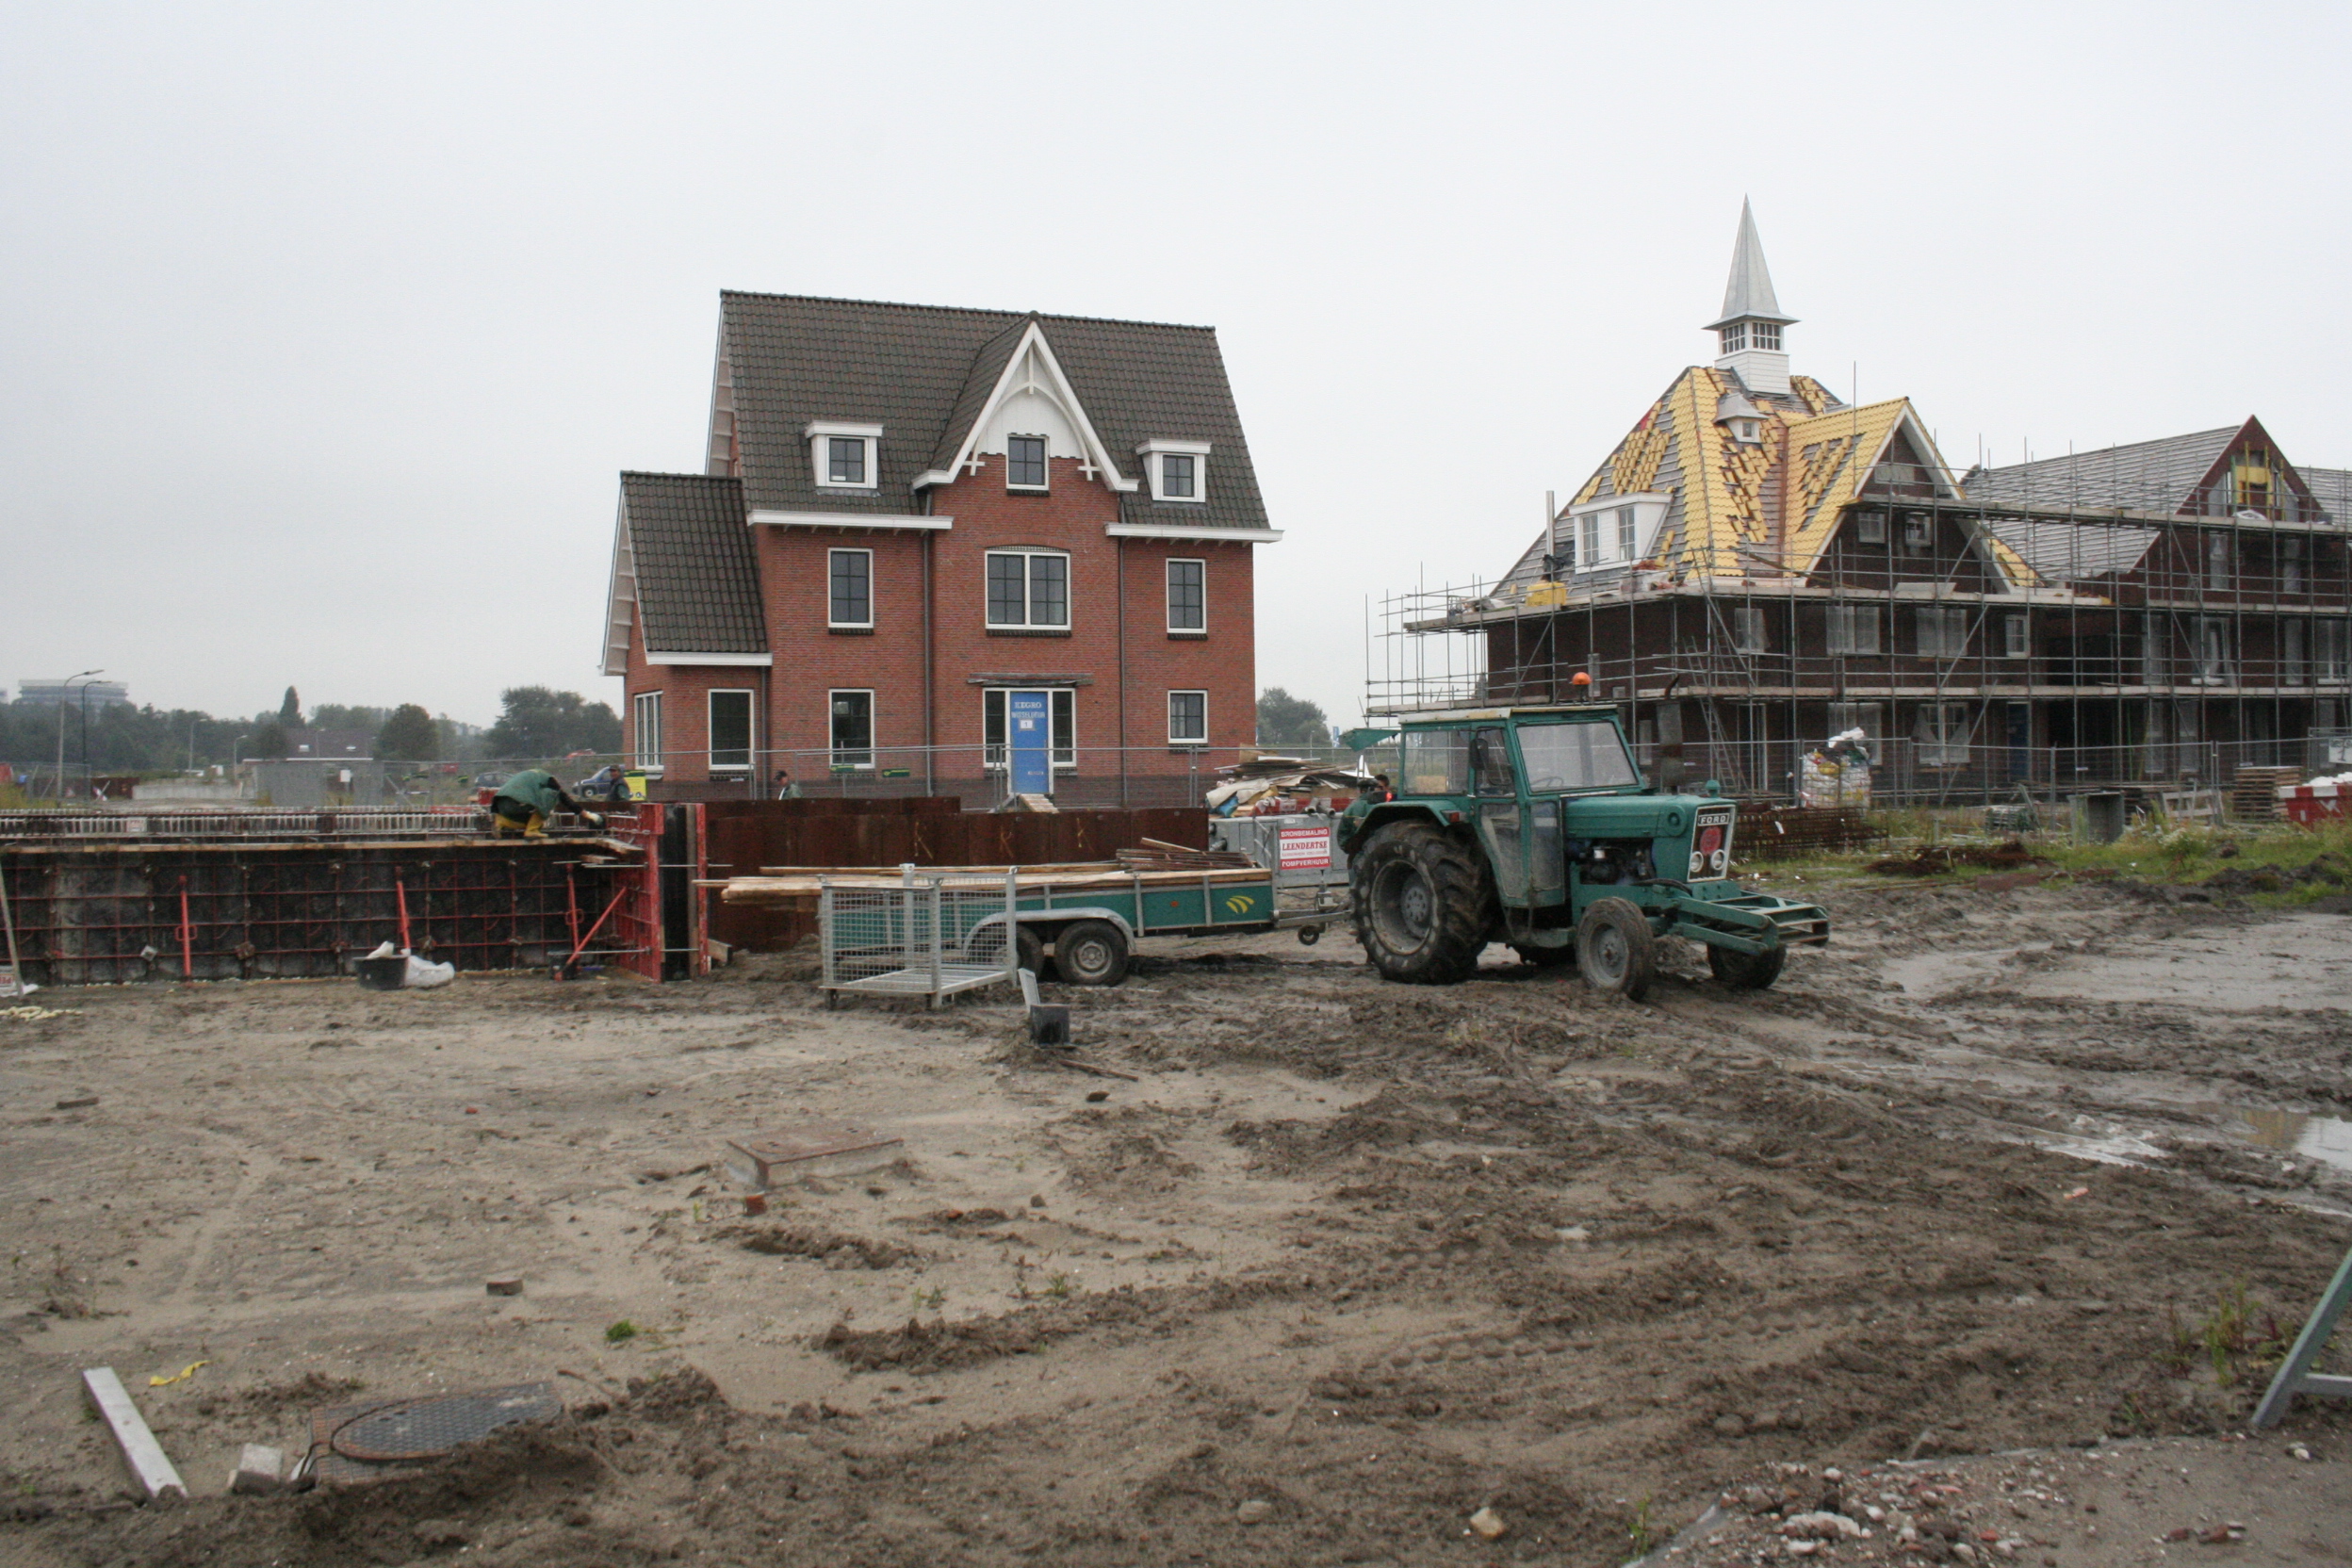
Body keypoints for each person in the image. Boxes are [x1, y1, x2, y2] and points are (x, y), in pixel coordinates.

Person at [490, 768, 603, 837]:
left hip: (501, 805)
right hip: (516, 803)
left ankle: (501, 822)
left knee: (531, 819)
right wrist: (588, 814)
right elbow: (563, 797)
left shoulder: (533, 776)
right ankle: (532, 831)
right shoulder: (549, 780)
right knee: (550, 796)